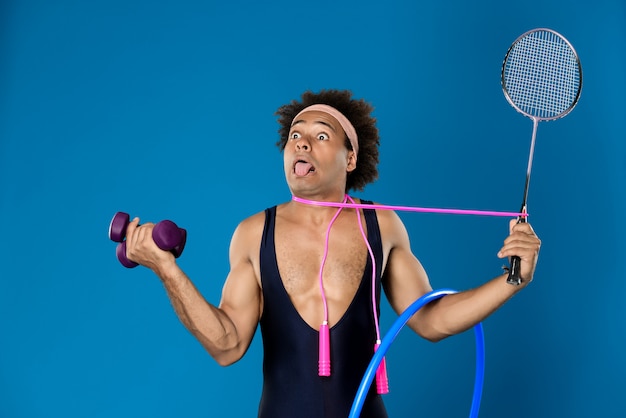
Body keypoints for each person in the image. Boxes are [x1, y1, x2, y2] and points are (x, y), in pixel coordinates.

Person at [123, 89, 541, 418]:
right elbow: (227, 345)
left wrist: (512, 280)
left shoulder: (382, 225)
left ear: (351, 157)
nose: (302, 144)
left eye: (321, 135)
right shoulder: (253, 233)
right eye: (295, 136)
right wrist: (166, 268)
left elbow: (431, 320)